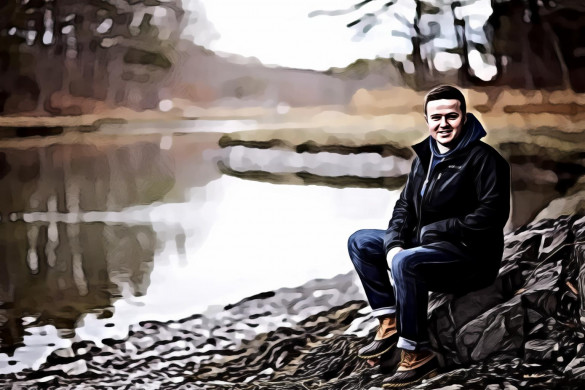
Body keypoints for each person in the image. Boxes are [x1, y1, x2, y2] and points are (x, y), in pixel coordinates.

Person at [348, 85, 510, 388]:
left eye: (452, 116)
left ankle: (416, 354)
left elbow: (492, 216)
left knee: (407, 263)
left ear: (463, 117)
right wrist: (394, 243)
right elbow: (404, 206)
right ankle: (390, 322)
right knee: (361, 241)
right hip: (429, 247)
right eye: (436, 117)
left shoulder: (486, 160)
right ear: (426, 120)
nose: (443, 124)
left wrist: (436, 231)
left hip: (471, 258)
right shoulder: (425, 158)